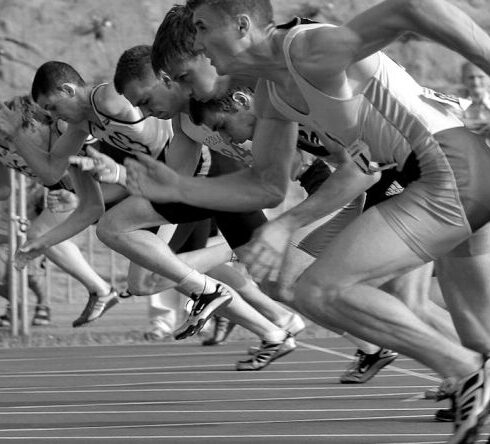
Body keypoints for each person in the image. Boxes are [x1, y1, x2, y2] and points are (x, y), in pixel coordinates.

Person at [125, 1, 490, 442]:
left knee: (319, 289)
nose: (199, 42)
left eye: (202, 30)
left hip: (445, 164)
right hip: (446, 169)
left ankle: (463, 373)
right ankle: (471, 368)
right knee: (479, 333)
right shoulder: (271, 94)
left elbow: (411, 8)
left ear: (241, 26)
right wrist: (178, 189)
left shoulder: (306, 50)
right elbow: (265, 185)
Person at [31, 61, 302, 371]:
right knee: (166, 266)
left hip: (208, 178)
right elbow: (73, 179)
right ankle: (276, 323)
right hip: (191, 184)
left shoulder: (110, 101)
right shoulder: (97, 126)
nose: (54, 118)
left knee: (150, 276)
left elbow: (150, 166)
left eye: (144, 101)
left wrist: (119, 174)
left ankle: (271, 311)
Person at [0, 95, 118, 327]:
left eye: (12, 135)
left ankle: (102, 289)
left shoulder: (62, 128)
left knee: (149, 279)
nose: (11, 143)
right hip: (69, 192)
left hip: (103, 184)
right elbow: (3, 190)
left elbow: (98, 157)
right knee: (148, 279)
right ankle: (101, 290)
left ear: (33, 124)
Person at [459, 62, 490, 142]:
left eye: (480, 77)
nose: (476, 82)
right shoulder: (455, 106)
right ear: (463, 80)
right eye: (471, 77)